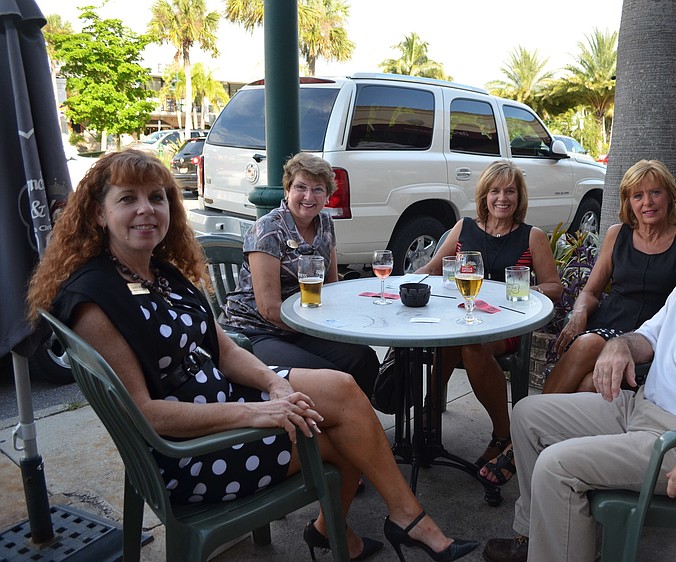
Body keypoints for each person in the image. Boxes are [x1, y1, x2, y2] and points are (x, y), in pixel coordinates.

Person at [27, 150, 479, 562]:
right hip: (193, 454)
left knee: (343, 387)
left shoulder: (157, 271)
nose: (146, 209)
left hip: (225, 399)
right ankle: (382, 527)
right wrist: (259, 414)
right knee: (347, 441)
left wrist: (274, 385)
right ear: (99, 214)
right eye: (128, 199)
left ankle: (377, 523)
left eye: (157, 197)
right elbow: (148, 415)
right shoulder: (95, 300)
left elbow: (221, 347)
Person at [482, 166, 676, 562]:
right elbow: (647, 336)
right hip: (644, 409)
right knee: (528, 414)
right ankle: (540, 538)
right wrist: (621, 347)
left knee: (555, 465)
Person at [415, 159, 563, 470]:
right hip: (460, 315)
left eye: (510, 191)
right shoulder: (464, 228)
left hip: (505, 325)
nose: (502, 198)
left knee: (471, 345)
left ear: (519, 198)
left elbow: (554, 287)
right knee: (450, 337)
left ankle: (502, 433)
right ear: (484, 196)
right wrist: (405, 285)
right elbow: (432, 268)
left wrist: (524, 290)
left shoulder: (530, 236)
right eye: (495, 191)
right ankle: (428, 414)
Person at [222, 152, 379, 396]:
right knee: (326, 376)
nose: (308, 196)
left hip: (303, 328)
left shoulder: (325, 224)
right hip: (255, 332)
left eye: (318, 189)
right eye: (300, 187)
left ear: (327, 196)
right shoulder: (268, 229)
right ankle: (326, 431)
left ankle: (357, 426)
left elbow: (332, 287)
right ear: (287, 190)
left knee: (363, 358)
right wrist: (320, 327)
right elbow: (270, 309)